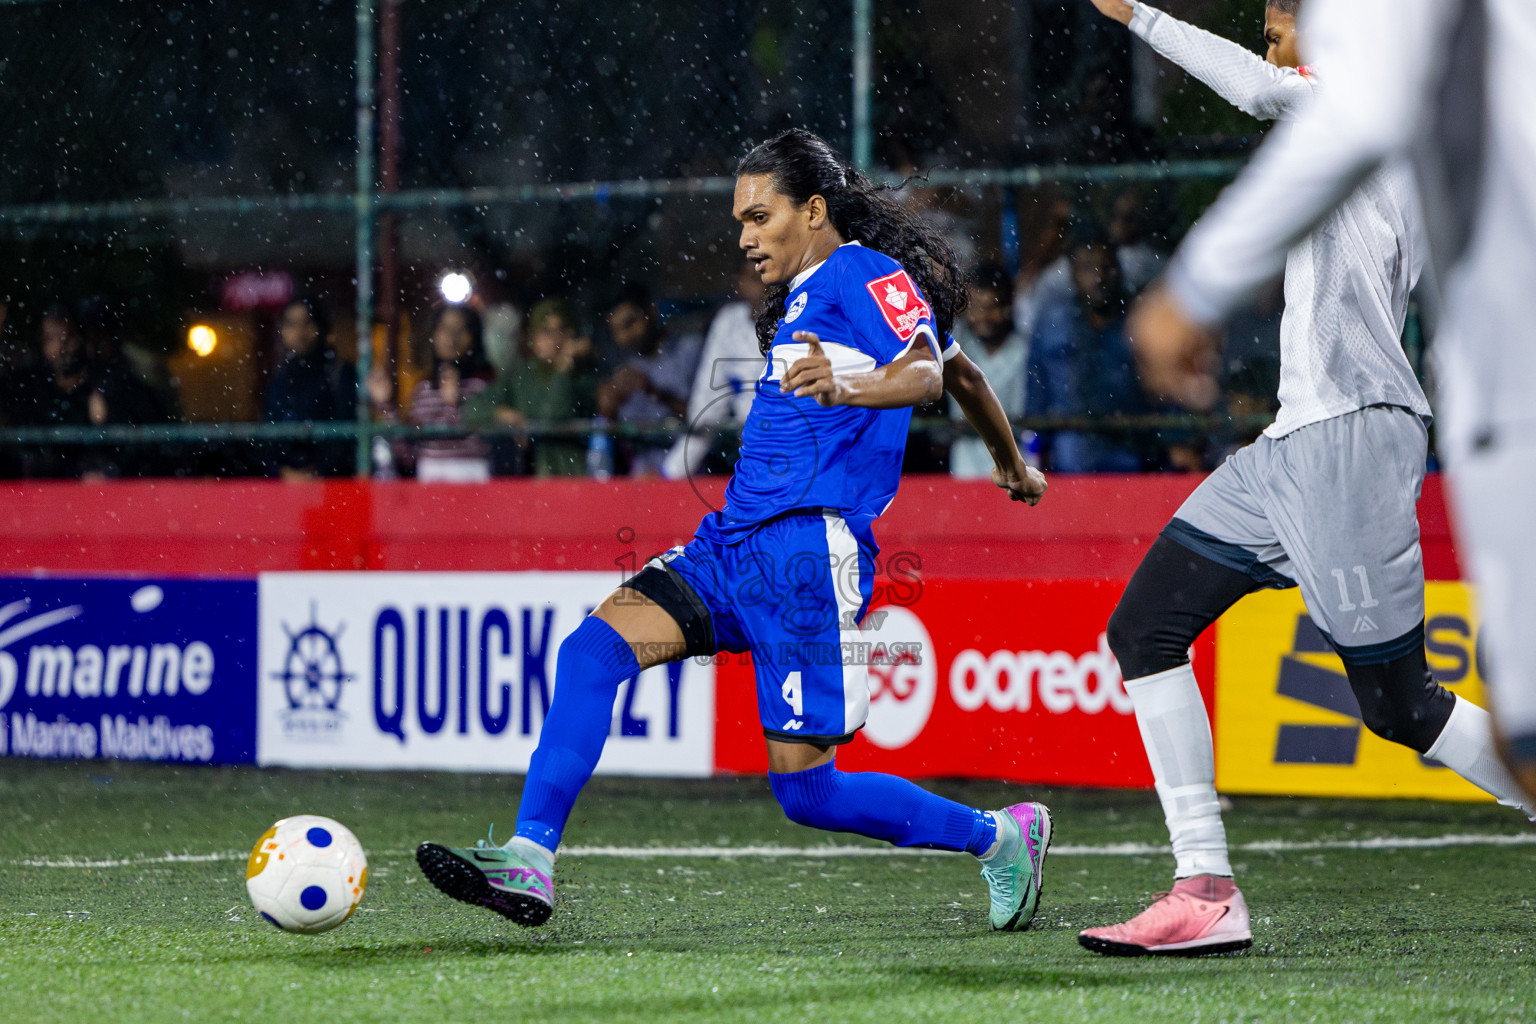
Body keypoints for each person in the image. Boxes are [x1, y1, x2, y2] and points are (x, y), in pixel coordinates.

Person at [415, 128, 1053, 934]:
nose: (746, 238)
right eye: (739, 222)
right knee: (591, 652)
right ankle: (530, 858)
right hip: (731, 545)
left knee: (808, 793)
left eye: (760, 216)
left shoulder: (861, 270)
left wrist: (852, 384)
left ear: (813, 210)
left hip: (806, 553)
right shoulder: (810, 297)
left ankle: (1000, 837)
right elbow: (964, 373)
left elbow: (928, 372)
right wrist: (1012, 465)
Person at [1075, 0, 1534, 958]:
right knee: (1144, 627)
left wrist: (1142, 17)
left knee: (1401, 706)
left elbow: (1257, 88)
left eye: (1278, 27)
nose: (1272, 47)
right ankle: (1205, 888)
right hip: (1289, 447)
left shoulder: (1367, 99)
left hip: (1353, 437)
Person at [1027, 231, 1153, 473]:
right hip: (1069, 461)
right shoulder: (1052, 323)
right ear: (1073, 274)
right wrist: (1034, 454)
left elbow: (1164, 391)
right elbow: (1036, 398)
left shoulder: (1141, 320)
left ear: (1119, 270)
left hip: (1135, 456)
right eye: (1087, 268)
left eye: (1106, 267)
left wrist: (1175, 442)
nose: (1099, 277)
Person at [462, 298, 597, 477]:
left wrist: (563, 367)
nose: (554, 339)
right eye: (546, 331)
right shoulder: (521, 374)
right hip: (527, 476)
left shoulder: (582, 376)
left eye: (561, 330)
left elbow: (555, 414)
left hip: (571, 475)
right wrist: (503, 414)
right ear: (533, 335)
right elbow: (472, 409)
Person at [661, 263, 766, 480]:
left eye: (768, 275)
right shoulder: (728, 323)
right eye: (755, 278)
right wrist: (670, 474)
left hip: (798, 449)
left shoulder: (800, 319)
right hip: (748, 453)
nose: (765, 284)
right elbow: (708, 405)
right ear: (740, 282)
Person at [372, 303, 495, 482]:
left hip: (472, 482)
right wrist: (385, 405)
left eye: (461, 329)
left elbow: (485, 441)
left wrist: (454, 404)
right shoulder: (422, 390)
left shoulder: (482, 386)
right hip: (429, 484)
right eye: (444, 328)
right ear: (433, 335)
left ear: (473, 337)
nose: (451, 337)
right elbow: (408, 455)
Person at [595, 283, 702, 477]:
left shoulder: (689, 350)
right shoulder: (618, 364)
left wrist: (655, 393)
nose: (624, 336)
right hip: (638, 479)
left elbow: (709, 417)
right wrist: (607, 411)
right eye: (616, 330)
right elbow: (611, 440)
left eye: (629, 324)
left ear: (651, 312)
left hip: (690, 474)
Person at [262, 297, 357, 479]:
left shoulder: (340, 373)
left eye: (307, 322)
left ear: (320, 327)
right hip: (287, 483)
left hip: (331, 484)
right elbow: (269, 434)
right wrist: (282, 471)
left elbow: (346, 434)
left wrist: (319, 472)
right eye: (291, 324)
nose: (299, 331)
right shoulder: (280, 378)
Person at [949, 266, 1029, 479]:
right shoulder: (958, 345)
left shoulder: (1025, 350)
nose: (983, 316)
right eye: (976, 308)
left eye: (991, 307)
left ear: (1008, 306)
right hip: (965, 458)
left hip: (1016, 456)